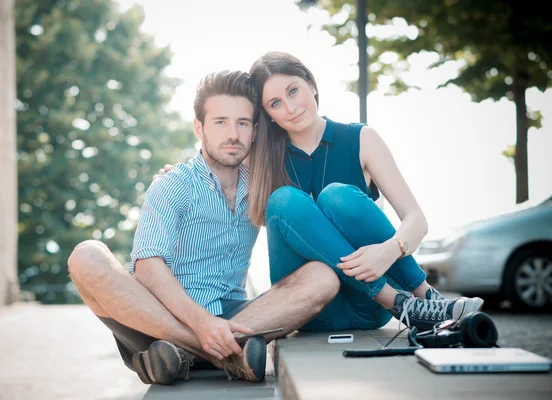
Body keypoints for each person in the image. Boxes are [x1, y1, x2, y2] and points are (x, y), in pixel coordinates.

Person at [67, 70, 340, 386]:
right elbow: (147, 267)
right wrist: (201, 324)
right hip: (162, 318)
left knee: (322, 277)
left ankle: (181, 356)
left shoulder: (260, 188)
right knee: (86, 256)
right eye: (220, 122)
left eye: (242, 123)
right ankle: (217, 353)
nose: (232, 134)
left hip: (237, 315)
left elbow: (303, 218)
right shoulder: (173, 185)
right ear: (199, 128)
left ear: (254, 131)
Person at [245, 51, 484, 333]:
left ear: (311, 84)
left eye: (293, 91)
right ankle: (403, 305)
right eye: (275, 103)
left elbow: (416, 219)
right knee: (284, 200)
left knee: (337, 197)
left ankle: (427, 299)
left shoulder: (361, 139)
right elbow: (215, 167)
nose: (290, 107)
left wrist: (389, 251)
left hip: (371, 310)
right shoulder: (263, 159)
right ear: (268, 115)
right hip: (313, 307)